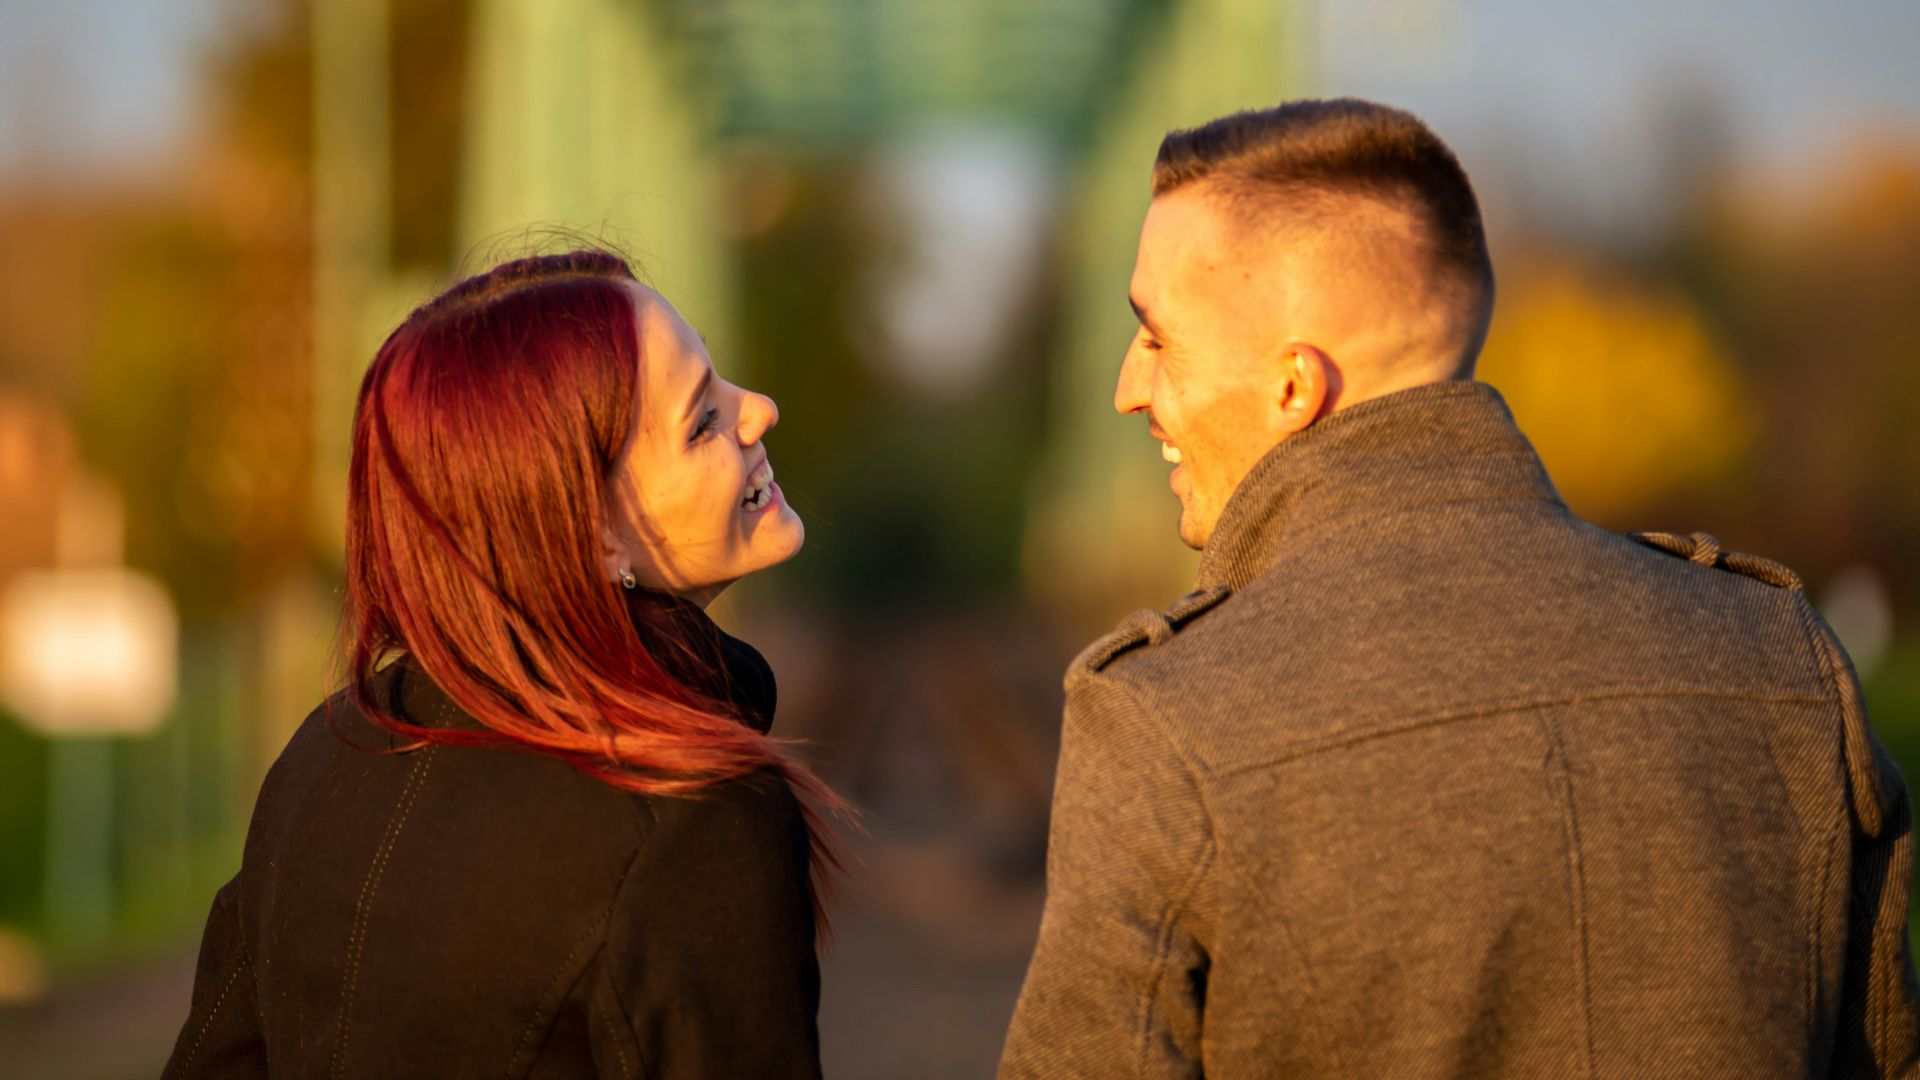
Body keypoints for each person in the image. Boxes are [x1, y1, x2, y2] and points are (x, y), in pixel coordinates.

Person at [1000, 99, 1920, 1078]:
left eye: (1155, 337)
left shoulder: (1164, 725)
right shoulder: (1781, 662)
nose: (1127, 388)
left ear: (1292, 387)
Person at [163, 250, 842, 1078]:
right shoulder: (691, 815)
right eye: (701, 423)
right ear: (588, 537)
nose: (760, 411)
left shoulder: (321, 760)